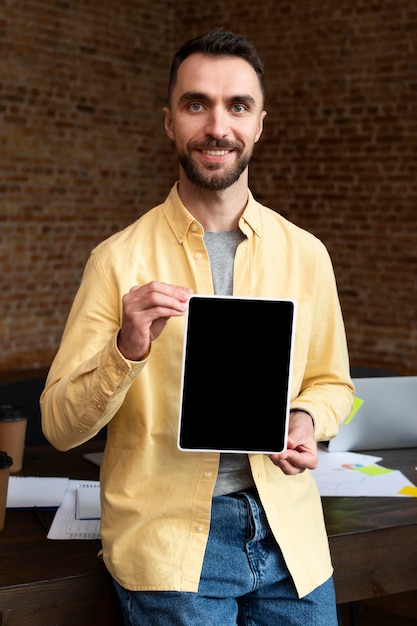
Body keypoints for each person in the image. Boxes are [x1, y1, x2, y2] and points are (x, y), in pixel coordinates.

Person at [41, 29, 354, 626]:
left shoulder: (307, 254)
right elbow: (58, 425)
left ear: (259, 123)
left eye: (237, 106)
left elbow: (332, 381)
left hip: (291, 540)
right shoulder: (117, 261)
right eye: (196, 104)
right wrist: (126, 349)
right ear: (169, 121)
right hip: (170, 549)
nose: (217, 125)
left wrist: (307, 418)